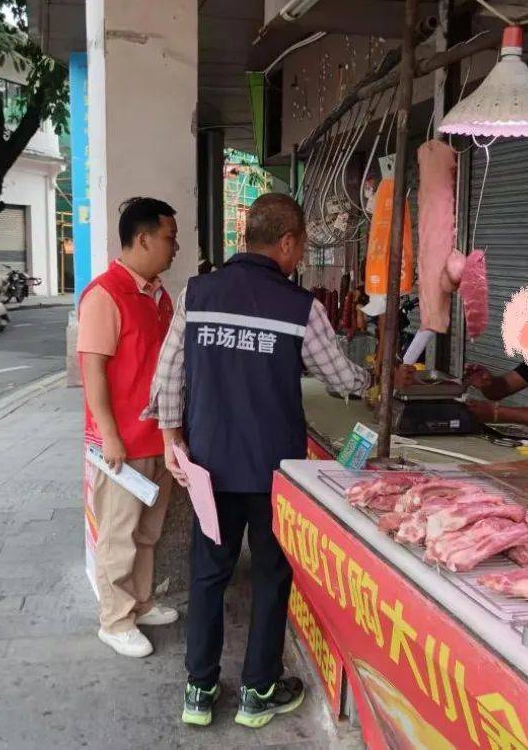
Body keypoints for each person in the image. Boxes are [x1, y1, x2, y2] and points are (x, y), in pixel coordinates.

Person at [144, 193, 374, 730]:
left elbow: (168, 377)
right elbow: (342, 378)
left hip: (209, 466)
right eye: (300, 248)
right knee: (272, 575)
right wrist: (370, 379)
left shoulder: (197, 294)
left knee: (209, 574)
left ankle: (198, 692)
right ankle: (258, 691)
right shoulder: (300, 308)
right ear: (288, 242)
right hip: (275, 473)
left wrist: (173, 441)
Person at [77, 196, 181, 658]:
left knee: (147, 533)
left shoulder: (158, 296)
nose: (174, 247)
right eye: (169, 238)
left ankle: (139, 603)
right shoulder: (105, 294)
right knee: (119, 533)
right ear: (143, 239)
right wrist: (110, 434)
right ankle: (114, 620)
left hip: (158, 437)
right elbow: (92, 370)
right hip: (122, 444)